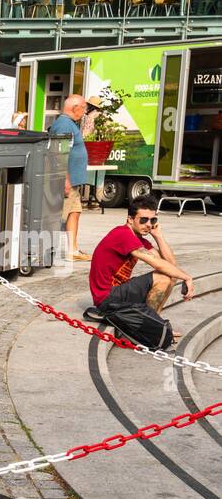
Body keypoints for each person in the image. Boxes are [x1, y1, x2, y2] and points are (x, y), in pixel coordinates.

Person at [90, 197, 193, 335]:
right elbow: (156, 263)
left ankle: (155, 324)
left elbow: (171, 265)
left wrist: (158, 236)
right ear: (130, 219)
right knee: (163, 278)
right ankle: (150, 328)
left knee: (171, 275)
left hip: (117, 293)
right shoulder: (123, 234)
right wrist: (187, 277)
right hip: (107, 298)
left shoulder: (139, 239)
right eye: (143, 220)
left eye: (153, 220)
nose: (149, 224)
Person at [49, 94, 91, 261]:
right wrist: (65, 180)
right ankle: (41, 249)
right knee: (60, 216)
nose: (85, 112)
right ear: (75, 108)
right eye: (84, 108)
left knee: (74, 212)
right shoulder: (64, 125)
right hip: (67, 180)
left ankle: (72, 250)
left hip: (74, 181)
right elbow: (59, 154)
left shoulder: (69, 124)